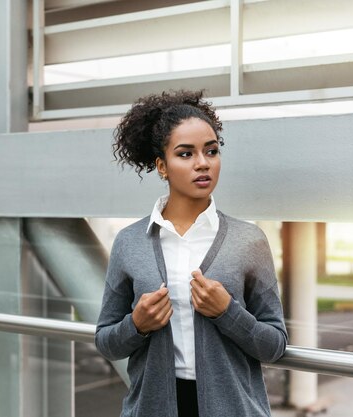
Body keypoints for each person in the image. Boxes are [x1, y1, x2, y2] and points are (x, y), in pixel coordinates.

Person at [95, 90, 288, 417]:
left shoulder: (248, 240)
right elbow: (107, 342)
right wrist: (137, 324)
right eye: (185, 154)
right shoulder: (130, 242)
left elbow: (274, 345)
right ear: (162, 166)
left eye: (211, 151)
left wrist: (228, 312)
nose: (202, 163)